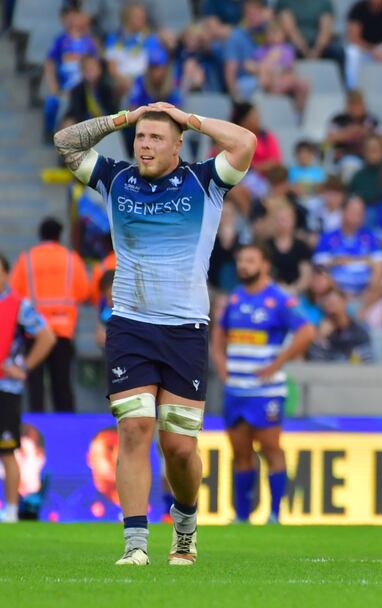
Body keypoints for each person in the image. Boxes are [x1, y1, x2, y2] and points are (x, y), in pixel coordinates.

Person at [53, 101, 256, 565]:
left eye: (156, 138)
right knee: (135, 428)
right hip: (130, 324)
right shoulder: (116, 179)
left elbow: (246, 143)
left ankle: (185, 526)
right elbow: (65, 143)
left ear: (177, 145)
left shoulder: (205, 182)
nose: (145, 145)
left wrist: (188, 117)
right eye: (141, 137)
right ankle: (136, 544)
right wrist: (122, 118)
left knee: (180, 448)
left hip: (185, 331)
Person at [211, 244, 315, 524]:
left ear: (265, 265)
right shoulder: (234, 299)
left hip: (266, 391)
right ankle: (242, 516)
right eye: (241, 260)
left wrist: (277, 364)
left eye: (250, 260)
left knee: (271, 449)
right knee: (240, 452)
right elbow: (218, 335)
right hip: (237, 390)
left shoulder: (278, 299)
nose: (244, 265)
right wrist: (222, 367)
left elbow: (306, 331)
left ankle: (275, 513)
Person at [10, 217, 89, 413]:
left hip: (34, 333)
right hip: (62, 332)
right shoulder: (72, 259)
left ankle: (36, 430)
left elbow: (14, 293)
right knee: (62, 385)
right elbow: (83, 292)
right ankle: (66, 430)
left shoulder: (26, 259)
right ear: (59, 235)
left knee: (34, 384)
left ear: (40, 235)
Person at [0, 254, 56, 523]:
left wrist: (23, 366)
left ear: (6, 274)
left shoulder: (19, 306)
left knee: (7, 449)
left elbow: (47, 336)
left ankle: (10, 510)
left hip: (6, 386)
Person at [312, 195, 382, 304]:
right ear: (343, 211)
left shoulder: (371, 238)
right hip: (335, 293)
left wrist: (338, 261)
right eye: (354, 211)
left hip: (366, 295)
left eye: (361, 212)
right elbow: (321, 270)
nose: (359, 215)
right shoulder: (328, 238)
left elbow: (379, 269)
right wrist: (341, 294)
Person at [43, 3, 98, 134]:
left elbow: (95, 65)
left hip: (84, 88)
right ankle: (51, 133)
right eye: (69, 17)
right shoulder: (60, 41)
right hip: (65, 88)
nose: (73, 21)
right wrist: (54, 87)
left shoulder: (89, 41)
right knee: (51, 103)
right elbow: (49, 63)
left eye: (76, 16)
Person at [104, 2, 166, 97]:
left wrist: (138, 82)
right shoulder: (114, 38)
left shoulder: (150, 38)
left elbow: (155, 66)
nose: (142, 20)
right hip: (121, 83)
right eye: (138, 17)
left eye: (143, 17)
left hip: (145, 83)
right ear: (127, 18)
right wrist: (124, 81)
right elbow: (112, 68)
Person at [306, 287, 375, 362]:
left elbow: (367, 360)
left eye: (333, 303)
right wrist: (320, 337)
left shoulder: (359, 330)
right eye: (327, 305)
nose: (331, 309)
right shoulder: (319, 331)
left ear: (344, 302)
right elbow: (315, 362)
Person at [224, 0, 273, 101]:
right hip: (244, 83)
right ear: (245, 14)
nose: (253, 16)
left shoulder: (267, 32)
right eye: (250, 13)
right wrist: (235, 99)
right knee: (267, 80)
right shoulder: (236, 36)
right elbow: (230, 71)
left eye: (257, 13)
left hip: (265, 77)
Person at [264, 203, 313, 295]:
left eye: (286, 219)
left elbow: (306, 275)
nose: (282, 223)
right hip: (270, 291)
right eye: (279, 219)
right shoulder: (267, 245)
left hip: (296, 292)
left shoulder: (301, 246)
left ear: (293, 221)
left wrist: (293, 289)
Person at [276, 0, 342, 64]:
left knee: (338, 51)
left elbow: (325, 29)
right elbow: (290, 29)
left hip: (319, 46)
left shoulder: (324, 2)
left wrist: (317, 50)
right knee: (286, 51)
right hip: (294, 43)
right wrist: (305, 51)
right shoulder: (285, 2)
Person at [326, 90, 380, 162]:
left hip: (368, 158)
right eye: (352, 104)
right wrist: (348, 133)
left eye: (358, 104)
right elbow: (328, 139)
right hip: (344, 158)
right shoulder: (338, 120)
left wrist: (364, 133)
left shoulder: (372, 120)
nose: (355, 108)